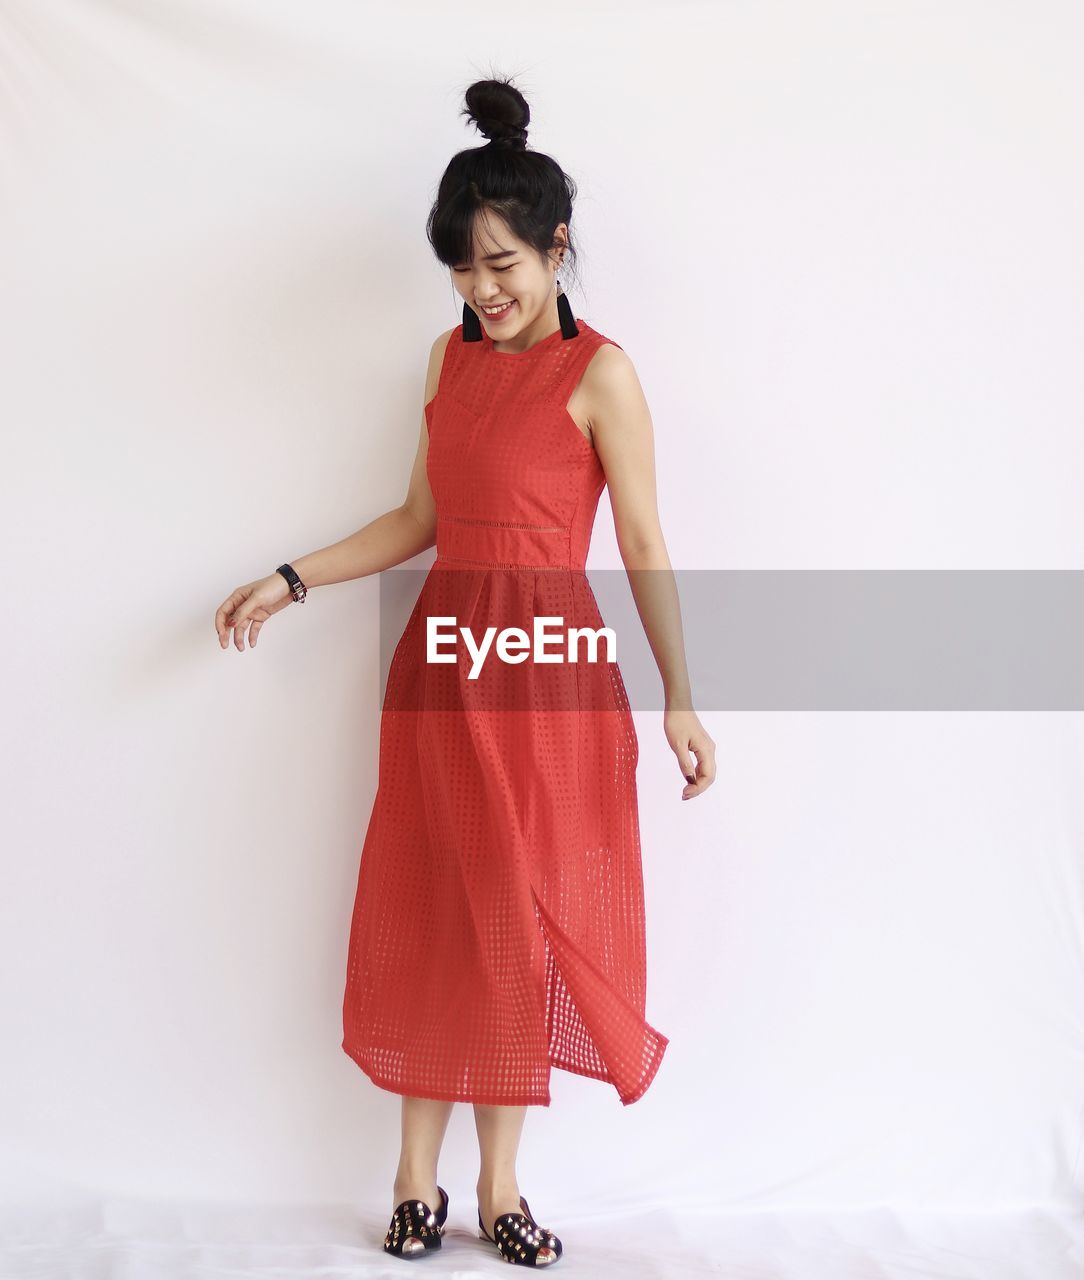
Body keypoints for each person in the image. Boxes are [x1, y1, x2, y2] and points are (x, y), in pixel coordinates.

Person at [213, 75, 715, 1267]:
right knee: (436, 910)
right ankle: (412, 1182)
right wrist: (291, 577)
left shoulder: (603, 375)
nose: (483, 290)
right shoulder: (447, 360)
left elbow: (643, 543)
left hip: (547, 678)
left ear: (556, 248)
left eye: (503, 264)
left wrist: (681, 695)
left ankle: (497, 1189)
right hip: (443, 669)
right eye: (461, 268)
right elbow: (415, 519)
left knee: (518, 925)